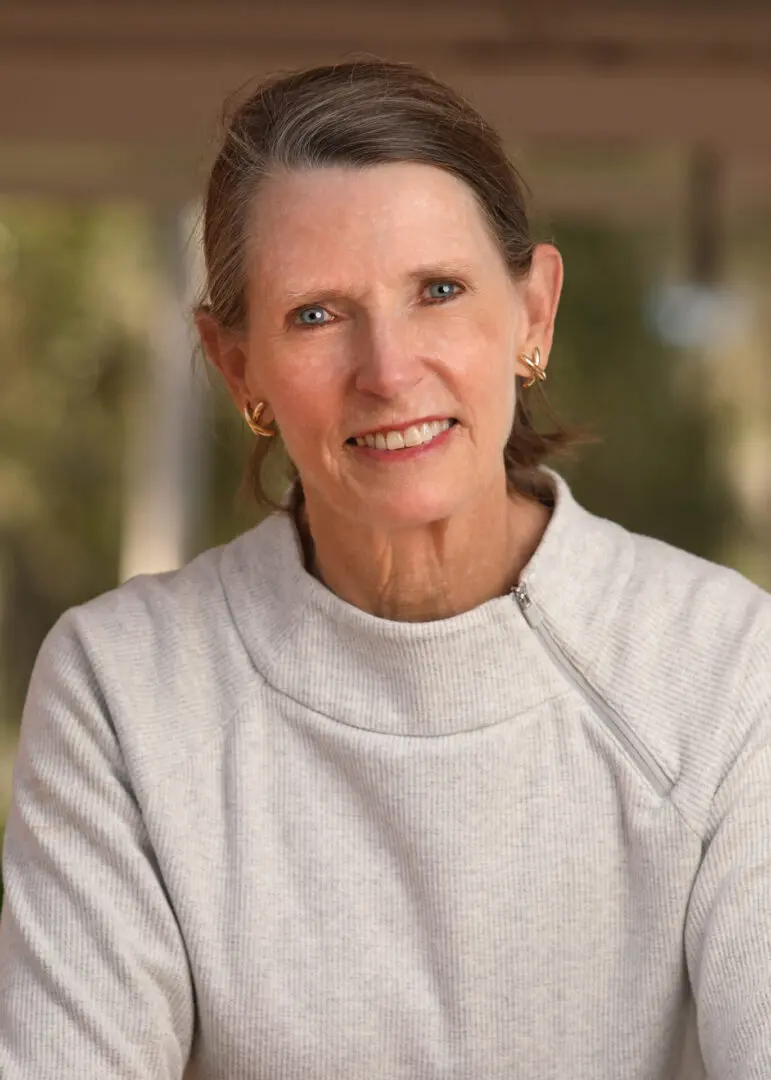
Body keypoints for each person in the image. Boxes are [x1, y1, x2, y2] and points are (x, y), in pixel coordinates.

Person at [0, 59, 769, 1080]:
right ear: (238, 367)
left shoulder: (723, 666)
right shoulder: (123, 691)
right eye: (316, 313)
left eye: (438, 291)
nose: (389, 371)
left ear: (533, 314)